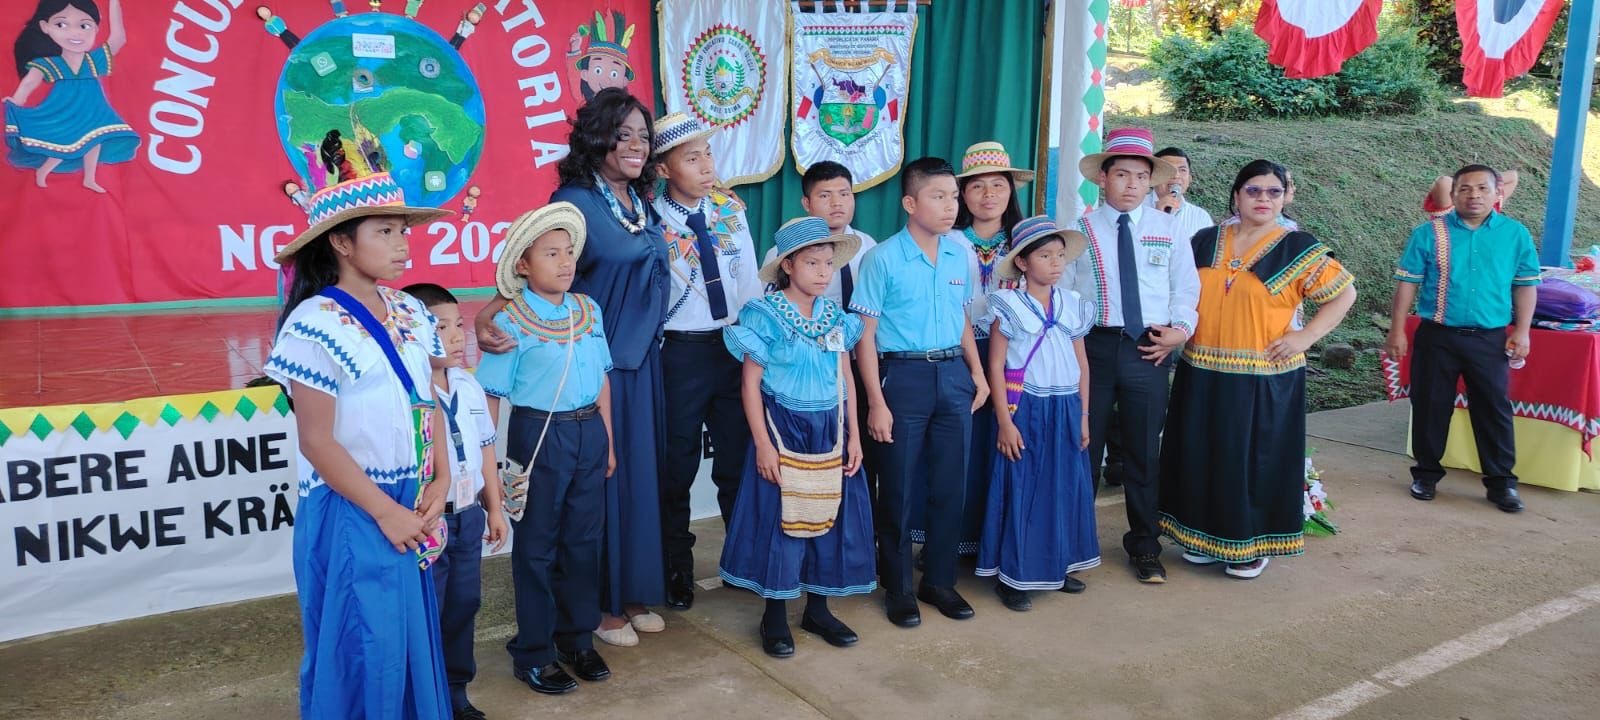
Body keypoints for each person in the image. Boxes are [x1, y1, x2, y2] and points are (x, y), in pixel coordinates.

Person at [261, 131, 454, 718]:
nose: (401, 245)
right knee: (364, 643)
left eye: (403, 231)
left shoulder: (411, 309)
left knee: (409, 640)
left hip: (412, 497)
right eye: (384, 232)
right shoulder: (315, 323)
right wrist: (384, 510)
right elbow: (316, 440)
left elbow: (428, 399)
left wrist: (441, 481)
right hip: (355, 506)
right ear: (342, 242)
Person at [476, 88, 668, 647]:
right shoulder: (576, 201)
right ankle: (599, 610)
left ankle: (629, 593)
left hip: (637, 363)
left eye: (642, 135)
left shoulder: (639, 202)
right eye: (623, 133)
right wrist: (491, 313)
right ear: (595, 138)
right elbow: (528, 272)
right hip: (592, 367)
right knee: (594, 498)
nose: (635, 144)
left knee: (631, 484)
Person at [1159, 160, 1357, 579]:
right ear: (1236, 195)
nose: (1263, 199)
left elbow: (1344, 295)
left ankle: (1249, 545)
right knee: (1200, 455)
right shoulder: (1205, 240)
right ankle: (1202, 538)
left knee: (1251, 461)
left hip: (1264, 376)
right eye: (1253, 191)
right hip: (1202, 368)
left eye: (1273, 191)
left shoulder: (1297, 247)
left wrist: (1304, 339)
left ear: (1287, 196)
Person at [721, 216, 875, 658]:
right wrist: (764, 445)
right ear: (788, 265)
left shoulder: (835, 316)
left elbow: (844, 373)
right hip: (783, 427)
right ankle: (774, 615)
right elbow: (750, 384)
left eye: (828, 263)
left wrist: (854, 434)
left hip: (830, 427)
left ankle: (819, 608)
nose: (823, 272)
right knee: (782, 520)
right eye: (812, 263)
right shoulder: (763, 315)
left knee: (828, 516)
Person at [479, 203, 618, 695]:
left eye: (569, 253)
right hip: (539, 436)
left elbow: (602, 377)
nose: (564, 263)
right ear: (523, 265)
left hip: (588, 433)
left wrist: (608, 441)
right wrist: (489, 468)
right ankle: (534, 651)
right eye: (551, 253)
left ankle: (577, 638)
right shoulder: (509, 322)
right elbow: (491, 398)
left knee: (584, 542)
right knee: (537, 547)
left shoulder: (588, 309)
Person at [852, 157, 990, 627]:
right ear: (911, 202)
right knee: (899, 487)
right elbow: (865, 335)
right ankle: (899, 587)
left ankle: (939, 580)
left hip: (952, 375)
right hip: (902, 379)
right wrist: (876, 401)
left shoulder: (960, 254)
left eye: (953, 196)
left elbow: (963, 320)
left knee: (951, 484)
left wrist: (978, 374)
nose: (950, 206)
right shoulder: (882, 258)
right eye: (938, 196)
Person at [1064, 127, 1199, 585]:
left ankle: (1145, 545)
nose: (1131, 185)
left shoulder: (1168, 229)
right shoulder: (1080, 230)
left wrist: (1178, 331)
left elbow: (1185, 288)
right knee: (1085, 447)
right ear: (1102, 178)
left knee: (1144, 453)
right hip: (1094, 349)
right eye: (1121, 175)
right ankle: (1073, 545)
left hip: (1148, 349)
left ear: (1150, 182)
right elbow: (1062, 292)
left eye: (1141, 177)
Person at [650, 113, 761, 611]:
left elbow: (749, 283)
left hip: (732, 346)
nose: (705, 166)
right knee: (676, 465)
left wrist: (757, 342)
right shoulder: (652, 221)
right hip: (681, 351)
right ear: (664, 169)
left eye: (708, 155)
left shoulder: (731, 210)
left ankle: (742, 559)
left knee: (736, 460)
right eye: (691, 158)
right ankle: (676, 565)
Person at [1386, 164, 1539, 513]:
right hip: (1437, 336)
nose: (1474, 195)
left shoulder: (1515, 234)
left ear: (1497, 193)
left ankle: (1501, 484)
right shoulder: (1429, 234)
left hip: (1489, 339)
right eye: (1465, 189)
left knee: (1493, 410)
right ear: (1452, 194)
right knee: (1430, 406)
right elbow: (1407, 283)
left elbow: (1526, 285)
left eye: (1483, 188)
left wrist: (1523, 330)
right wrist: (1397, 330)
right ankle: (1426, 475)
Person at [978, 216, 1099, 610]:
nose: (1055, 263)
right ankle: (1014, 575)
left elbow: (1082, 364)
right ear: (1023, 263)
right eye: (1045, 255)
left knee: (1063, 486)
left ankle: (1056, 563)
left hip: (1064, 407)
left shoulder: (1074, 305)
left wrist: (1082, 416)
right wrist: (1005, 422)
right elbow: (995, 367)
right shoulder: (1008, 307)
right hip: (1026, 407)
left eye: (1060, 255)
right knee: (1024, 488)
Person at [401, 282, 509, 720]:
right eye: (440, 326)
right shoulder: (408, 391)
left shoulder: (467, 384)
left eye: (458, 324)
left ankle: (456, 690)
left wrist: (495, 506)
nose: (454, 336)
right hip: (428, 522)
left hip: (466, 517)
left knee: (465, 604)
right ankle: (424, 698)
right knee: (429, 608)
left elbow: (486, 449)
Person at [921, 140, 1031, 560]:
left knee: (1004, 443)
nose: (989, 196)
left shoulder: (1026, 241)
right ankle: (952, 542)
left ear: (1011, 191)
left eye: (999, 186)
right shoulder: (945, 240)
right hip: (956, 352)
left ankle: (1000, 540)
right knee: (958, 448)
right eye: (977, 187)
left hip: (1016, 356)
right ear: (961, 194)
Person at [5, 0, 139, 192]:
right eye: (61, 24)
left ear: (96, 27)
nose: (75, 32)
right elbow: (29, 82)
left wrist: (114, 4)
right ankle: (44, 170)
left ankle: (89, 178)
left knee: (94, 139)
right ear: (45, 27)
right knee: (65, 142)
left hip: (93, 107)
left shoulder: (94, 59)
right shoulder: (49, 63)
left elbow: (118, 38)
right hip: (65, 106)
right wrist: (17, 100)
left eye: (84, 25)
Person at [762, 161, 879, 307]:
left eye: (844, 194)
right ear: (806, 203)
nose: (836, 203)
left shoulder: (869, 246)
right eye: (825, 196)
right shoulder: (781, 253)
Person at [1424, 168, 1518, 218]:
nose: (1474, 195)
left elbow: (1514, 176)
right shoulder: (1450, 213)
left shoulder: (1491, 206)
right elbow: (1444, 182)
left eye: (1482, 188)